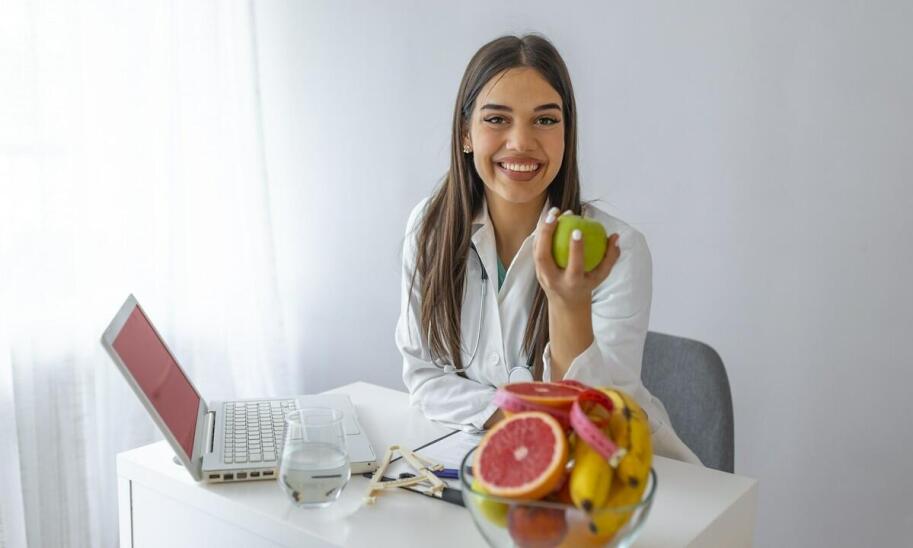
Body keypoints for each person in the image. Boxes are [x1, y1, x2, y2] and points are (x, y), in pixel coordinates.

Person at [395, 34, 701, 464]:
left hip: (623, 477)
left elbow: (592, 422)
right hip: (502, 458)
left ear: (566, 134)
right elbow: (423, 377)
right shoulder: (430, 230)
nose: (521, 142)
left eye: (544, 120)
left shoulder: (619, 252)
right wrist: (519, 422)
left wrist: (567, 303)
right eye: (497, 119)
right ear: (465, 134)